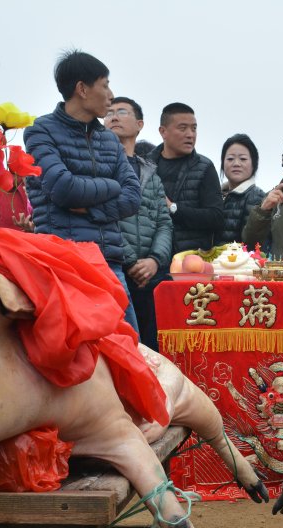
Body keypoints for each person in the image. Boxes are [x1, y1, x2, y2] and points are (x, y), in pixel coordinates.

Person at [24, 50, 141, 333]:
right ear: (82, 89)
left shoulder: (109, 141)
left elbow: (132, 196)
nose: (110, 94)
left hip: (109, 262)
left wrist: (91, 208)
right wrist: (111, 186)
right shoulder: (41, 131)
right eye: (105, 85)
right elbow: (63, 189)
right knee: (78, 351)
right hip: (65, 262)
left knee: (132, 348)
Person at [104, 97, 173, 351]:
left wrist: (154, 260)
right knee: (126, 347)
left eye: (121, 111)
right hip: (116, 267)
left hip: (152, 276)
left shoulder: (150, 173)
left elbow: (165, 222)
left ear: (140, 124)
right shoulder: (101, 167)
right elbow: (105, 217)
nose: (113, 116)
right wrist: (132, 261)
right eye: (108, 112)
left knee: (155, 349)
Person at [148, 103, 223, 255]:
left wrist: (174, 208)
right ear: (163, 131)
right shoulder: (145, 166)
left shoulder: (204, 167)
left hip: (190, 262)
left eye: (194, 128)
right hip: (150, 260)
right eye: (183, 128)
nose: (190, 134)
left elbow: (216, 217)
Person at [218, 133, 265, 245]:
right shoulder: (216, 194)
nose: (236, 164)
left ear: (254, 164)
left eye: (243, 159)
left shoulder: (256, 196)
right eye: (230, 159)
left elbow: (251, 243)